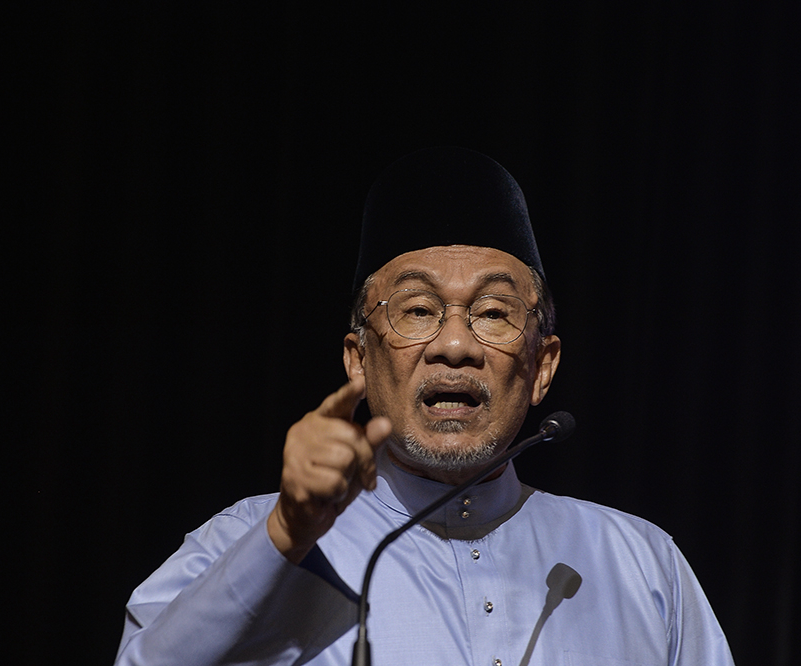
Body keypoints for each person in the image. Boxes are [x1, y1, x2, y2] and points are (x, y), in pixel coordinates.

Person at [114, 147, 736, 666]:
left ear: (542, 365)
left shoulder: (642, 566)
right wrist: (286, 536)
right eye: (417, 310)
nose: (456, 345)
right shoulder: (251, 540)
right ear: (358, 359)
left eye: (493, 313)